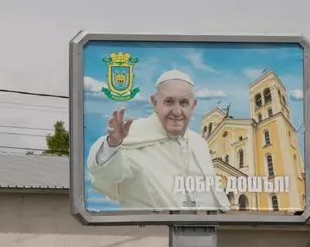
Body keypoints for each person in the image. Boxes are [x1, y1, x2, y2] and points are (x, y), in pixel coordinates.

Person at [87, 69, 230, 211]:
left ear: (193, 105)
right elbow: (109, 173)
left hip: (205, 230)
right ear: (154, 102)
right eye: (169, 102)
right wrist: (113, 144)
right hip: (151, 231)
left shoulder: (199, 143)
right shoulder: (131, 134)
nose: (177, 111)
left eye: (184, 103)